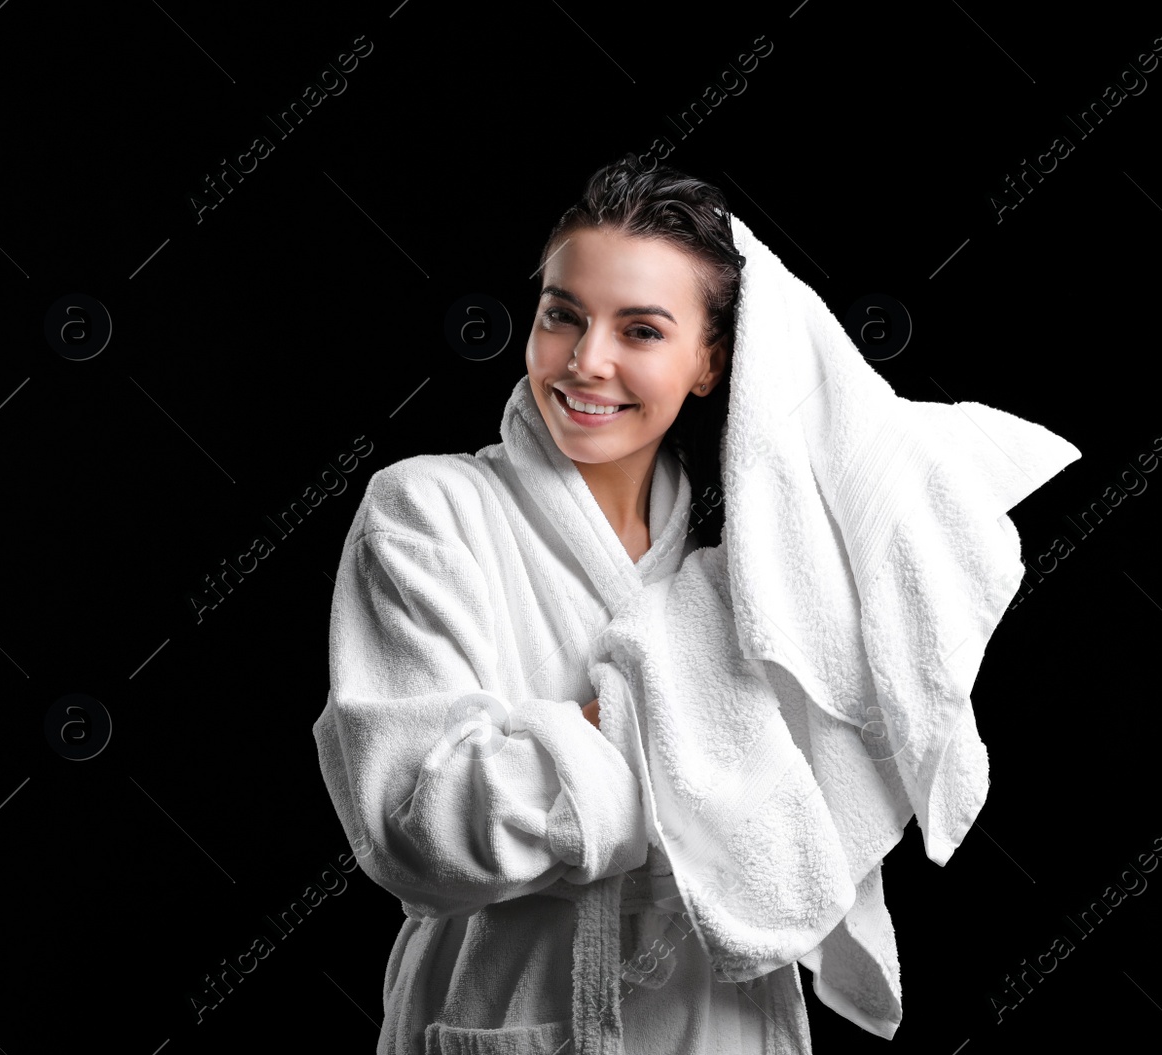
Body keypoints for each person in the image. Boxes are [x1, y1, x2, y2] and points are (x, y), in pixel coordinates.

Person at [312, 154, 813, 1054]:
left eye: (642, 329)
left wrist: (572, 738)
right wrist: (662, 716)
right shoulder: (426, 513)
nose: (587, 361)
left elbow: (823, 805)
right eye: (562, 315)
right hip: (510, 1006)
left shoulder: (742, 554)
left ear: (708, 361)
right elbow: (419, 822)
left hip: (721, 1019)